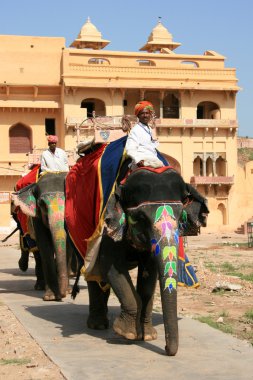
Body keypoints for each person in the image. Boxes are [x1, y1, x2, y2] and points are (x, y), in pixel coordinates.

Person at [125, 100, 164, 168]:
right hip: (142, 161)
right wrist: (138, 161)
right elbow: (130, 149)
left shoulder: (149, 129)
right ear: (138, 116)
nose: (145, 115)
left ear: (150, 115)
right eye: (142, 113)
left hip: (153, 160)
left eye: (147, 113)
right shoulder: (135, 130)